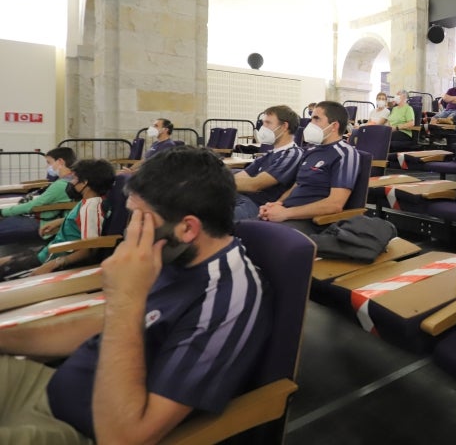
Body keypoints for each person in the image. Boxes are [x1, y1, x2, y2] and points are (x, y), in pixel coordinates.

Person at [0, 146, 272, 443]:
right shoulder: (169, 255)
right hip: (48, 386)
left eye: (140, 220)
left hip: (79, 429)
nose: (130, 232)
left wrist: (126, 300)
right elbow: (98, 326)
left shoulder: (226, 297)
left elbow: (125, 437)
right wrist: (6, 339)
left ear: (187, 228)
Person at [0, 159, 115, 280]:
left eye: (75, 179)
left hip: (54, 257)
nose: (71, 182)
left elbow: (89, 248)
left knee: (4, 271)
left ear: (85, 183)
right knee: (3, 261)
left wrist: (55, 263)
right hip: (52, 250)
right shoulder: (88, 201)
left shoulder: (90, 208)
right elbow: (81, 221)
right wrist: (59, 221)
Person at [259, 101, 361, 235]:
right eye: (311, 118)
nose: (310, 123)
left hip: (312, 222)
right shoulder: (311, 151)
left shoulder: (345, 153)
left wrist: (285, 213)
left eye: (316, 119)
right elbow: (297, 185)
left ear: (334, 126)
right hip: (289, 214)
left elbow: (335, 204)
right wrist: (277, 204)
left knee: (259, 236)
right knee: (243, 228)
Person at [232, 105, 303, 221]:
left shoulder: (292, 154)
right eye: (263, 123)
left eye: (268, 123)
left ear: (284, 126)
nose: (263, 127)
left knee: (210, 219)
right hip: (242, 197)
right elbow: (241, 176)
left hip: (259, 206)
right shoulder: (269, 154)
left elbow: (254, 185)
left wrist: (218, 183)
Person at [0, 147, 77, 246]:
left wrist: (3, 212)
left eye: (49, 162)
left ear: (60, 161)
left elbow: (33, 206)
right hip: (51, 217)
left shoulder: (61, 185)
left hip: (45, 222)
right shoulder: (73, 179)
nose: (47, 167)